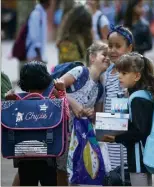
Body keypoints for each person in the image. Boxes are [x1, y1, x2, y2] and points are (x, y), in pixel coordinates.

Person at [103, 52, 154, 186]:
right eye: (119, 72)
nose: (119, 76)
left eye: (124, 73)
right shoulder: (145, 94)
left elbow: (138, 131)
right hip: (146, 155)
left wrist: (116, 138)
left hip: (138, 157)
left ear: (137, 76)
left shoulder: (136, 99)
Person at [5, 61, 69, 186]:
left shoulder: (18, 100)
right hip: (48, 154)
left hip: (23, 155)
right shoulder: (51, 101)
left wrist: (8, 102)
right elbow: (66, 116)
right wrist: (62, 92)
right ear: (45, 78)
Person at [56, 41, 110, 185]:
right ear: (92, 57)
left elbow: (98, 118)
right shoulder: (80, 71)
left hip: (79, 134)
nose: (107, 58)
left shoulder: (100, 87)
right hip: (63, 130)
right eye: (104, 54)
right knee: (62, 170)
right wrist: (73, 103)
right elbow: (55, 88)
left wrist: (91, 113)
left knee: (77, 169)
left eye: (109, 56)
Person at [100, 25, 134, 173]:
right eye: (110, 46)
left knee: (123, 167)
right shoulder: (106, 72)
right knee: (111, 168)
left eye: (118, 46)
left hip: (123, 131)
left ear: (129, 48)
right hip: (110, 128)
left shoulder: (131, 73)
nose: (113, 50)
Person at [25, 0, 51, 64]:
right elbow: (34, 35)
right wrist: (39, 56)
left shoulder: (42, 13)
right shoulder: (36, 14)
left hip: (39, 54)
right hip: (34, 53)